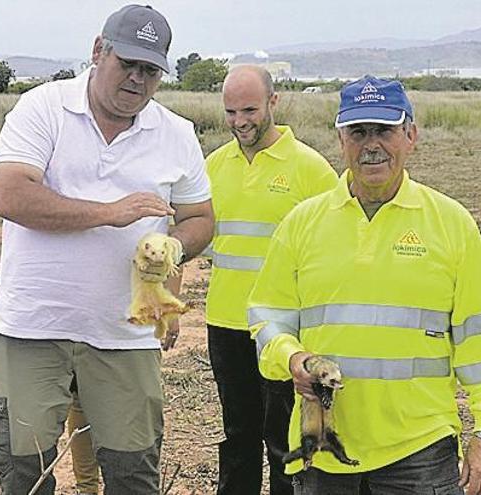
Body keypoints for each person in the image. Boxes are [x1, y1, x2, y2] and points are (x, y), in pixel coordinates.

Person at [0, 5, 214, 494]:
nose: (136, 78)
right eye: (126, 63)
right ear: (97, 51)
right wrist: (109, 213)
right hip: (32, 328)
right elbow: (11, 196)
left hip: (125, 336)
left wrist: (174, 247)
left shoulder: (177, 133)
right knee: (25, 471)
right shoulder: (43, 108)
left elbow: (199, 219)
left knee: (133, 474)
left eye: (150, 70)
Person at [247, 75, 481, 495]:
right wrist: (292, 357)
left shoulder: (452, 223)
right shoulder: (301, 224)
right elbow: (267, 318)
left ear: (411, 135)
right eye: (358, 132)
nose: (371, 144)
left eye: (384, 130)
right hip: (326, 447)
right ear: (341, 140)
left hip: (420, 450)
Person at [205, 65, 339, 494]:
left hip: (284, 332)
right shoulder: (212, 166)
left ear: (274, 103)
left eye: (249, 109)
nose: (240, 121)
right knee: (238, 435)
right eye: (230, 112)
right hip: (226, 325)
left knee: (283, 441)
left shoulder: (310, 169)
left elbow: (333, 255)